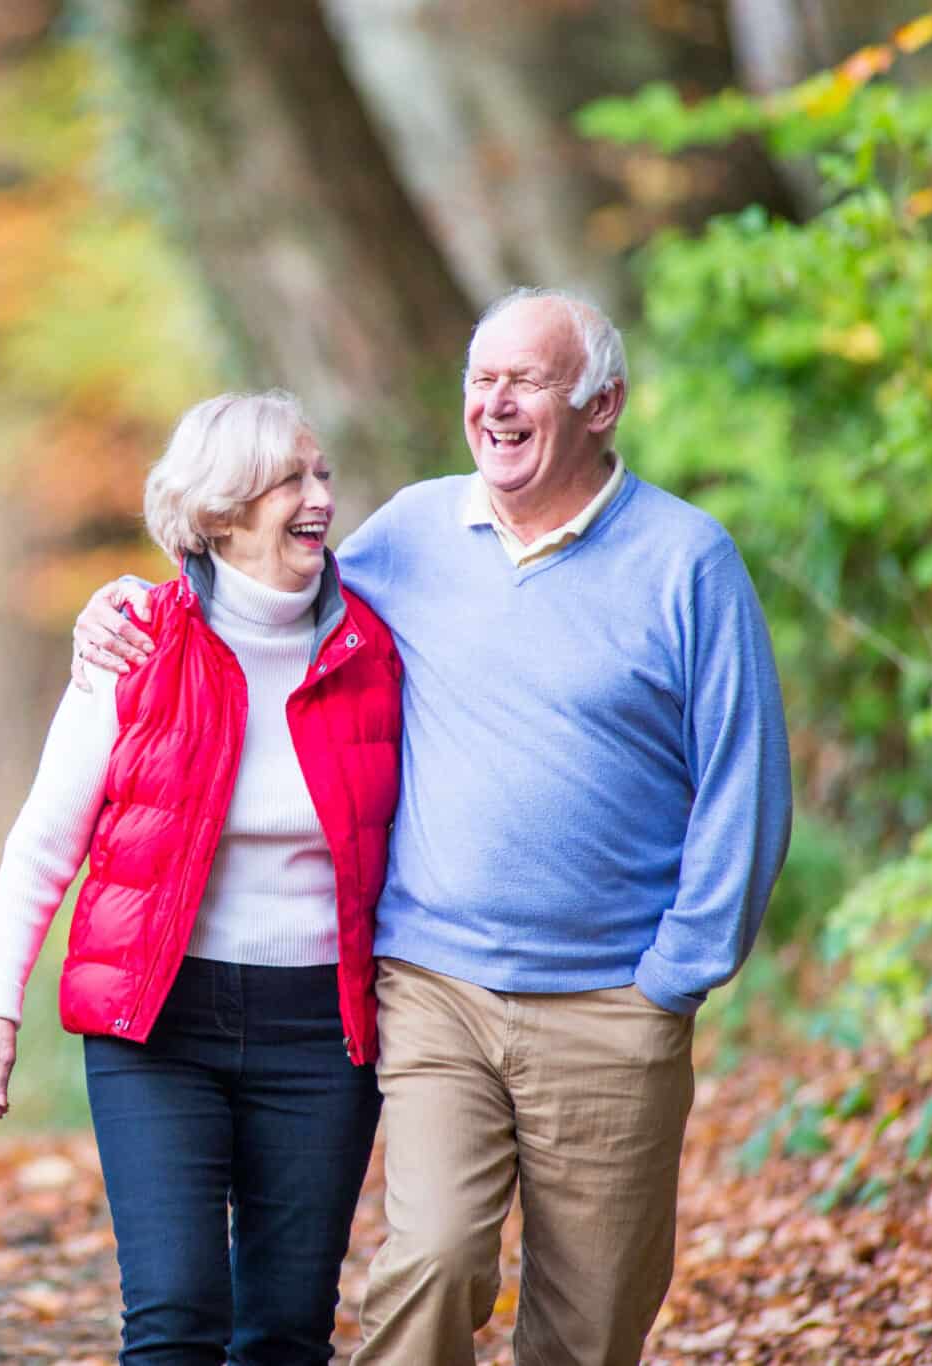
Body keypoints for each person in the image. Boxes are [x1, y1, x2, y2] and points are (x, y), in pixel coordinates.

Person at [70, 289, 792, 1365]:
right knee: (433, 1263)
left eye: (526, 381)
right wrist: (130, 602)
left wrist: (673, 978)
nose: (493, 403)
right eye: (479, 379)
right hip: (431, 983)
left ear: (603, 405)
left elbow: (744, 785)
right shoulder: (409, 531)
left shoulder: (686, 563)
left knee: (589, 1320)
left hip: (610, 1001)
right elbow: (264, 599)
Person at [0, 389, 402, 1364]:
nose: (318, 493)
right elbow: (42, 843)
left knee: (284, 1326)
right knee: (174, 1312)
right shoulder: (133, 644)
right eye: (290, 477)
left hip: (320, 1035)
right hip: (158, 1028)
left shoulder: (376, 645)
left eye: (320, 471)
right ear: (219, 510)